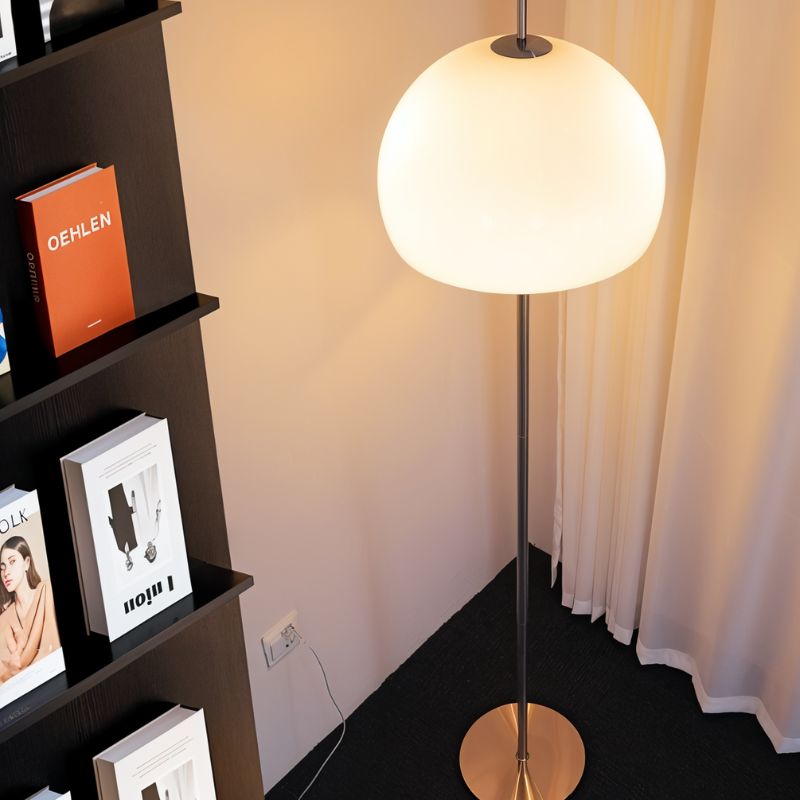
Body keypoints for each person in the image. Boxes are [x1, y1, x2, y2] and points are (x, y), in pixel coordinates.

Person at [0, 536, 60, 683]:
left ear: (26, 563)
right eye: (2, 567)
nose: (6, 572)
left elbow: (54, 647)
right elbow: (4, 673)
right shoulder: (4, 619)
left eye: (12, 562)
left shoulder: (46, 591)